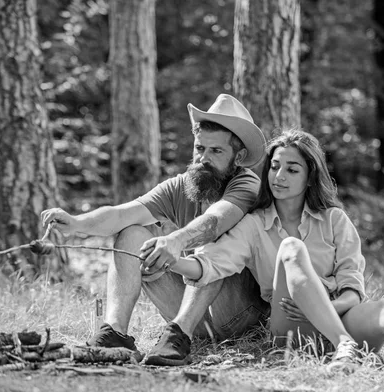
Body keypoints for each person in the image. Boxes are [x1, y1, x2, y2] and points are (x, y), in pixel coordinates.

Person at [170, 128, 384, 392]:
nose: (280, 176)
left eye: (292, 169)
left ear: (309, 177)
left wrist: (325, 309)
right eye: (275, 166)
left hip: (336, 313)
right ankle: (345, 345)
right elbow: (212, 263)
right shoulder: (254, 225)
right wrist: (170, 258)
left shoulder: (335, 221)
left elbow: (352, 288)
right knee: (292, 247)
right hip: (289, 325)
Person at [41, 94, 271, 366]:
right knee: (131, 232)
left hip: (240, 314)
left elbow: (216, 221)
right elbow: (121, 213)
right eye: (200, 149)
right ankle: (115, 333)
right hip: (201, 319)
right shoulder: (183, 186)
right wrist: (77, 224)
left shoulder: (247, 185)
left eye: (216, 152)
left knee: (210, 241)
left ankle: (178, 333)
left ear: (239, 156)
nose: (203, 159)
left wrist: (175, 241)